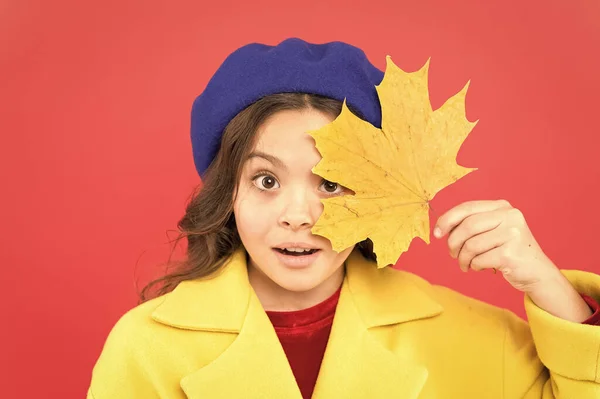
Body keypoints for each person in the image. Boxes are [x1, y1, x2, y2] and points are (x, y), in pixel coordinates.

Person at [86, 38, 600, 399]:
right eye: (266, 181)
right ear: (229, 195)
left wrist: (549, 286)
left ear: (378, 194)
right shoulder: (146, 349)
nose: (298, 215)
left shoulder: (475, 338)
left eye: (331, 184)